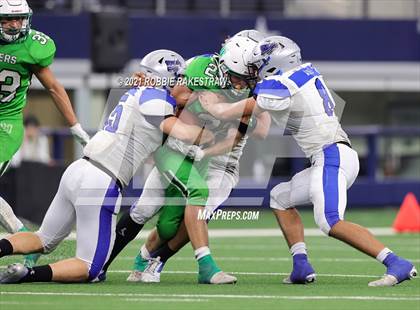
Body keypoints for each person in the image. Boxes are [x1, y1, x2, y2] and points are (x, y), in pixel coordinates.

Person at [199, 35, 417, 287]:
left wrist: (216, 109)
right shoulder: (302, 73)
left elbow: (250, 107)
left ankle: (396, 263)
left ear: (274, 63)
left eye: (260, 63)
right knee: (280, 197)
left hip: (331, 155)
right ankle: (301, 265)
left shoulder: (283, 83)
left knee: (330, 221)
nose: (256, 69)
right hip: (331, 155)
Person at [0, 49, 215, 284]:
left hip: (78, 169)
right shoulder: (156, 98)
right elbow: (184, 133)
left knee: (43, 239)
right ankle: (27, 274)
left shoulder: (140, 93)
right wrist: (211, 126)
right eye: (180, 78)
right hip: (101, 180)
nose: (184, 84)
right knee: (91, 268)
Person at [101, 34, 270, 284]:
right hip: (178, 147)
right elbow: (174, 95)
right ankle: (100, 262)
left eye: (250, 76)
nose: (243, 84)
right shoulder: (200, 67)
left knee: (183, 219)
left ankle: (153, 261)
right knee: (147, 207)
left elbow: (260, 130)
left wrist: (222, 109)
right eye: (240, 77)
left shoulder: (258, 80)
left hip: (220, 157)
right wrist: (196, 103)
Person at [0, 0, 89, 267]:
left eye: (19, 19)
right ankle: (25, 237)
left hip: (5, 123)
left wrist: (74, 126)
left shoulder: (32, 47)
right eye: (7, 19)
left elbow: (54, 88)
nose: (15, 25)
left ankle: (22, 238)